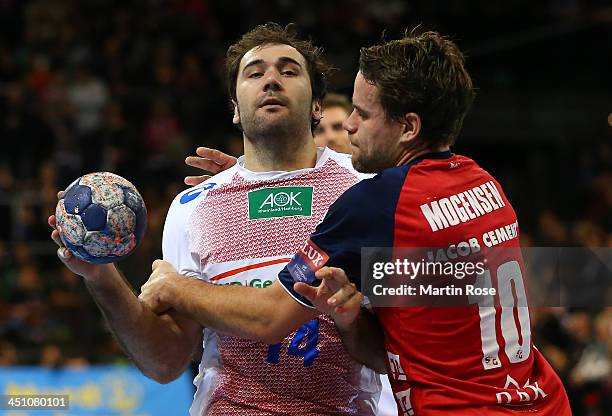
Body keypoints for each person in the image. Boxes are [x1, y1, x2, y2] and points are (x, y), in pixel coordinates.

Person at [138, 30, 572, 415]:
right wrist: (250, 180)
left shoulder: (371, 202)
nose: (347, 125)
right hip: (539, 398)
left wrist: (176, 287)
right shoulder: (483, 185)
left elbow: (271, 318)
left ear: (408, 127)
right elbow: (403, 338)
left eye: (362, 114)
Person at [49, 23, 384, 415]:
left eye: (289, 71)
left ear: (316, 106)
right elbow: (164, 361)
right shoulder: (194, 206)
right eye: (255, 73)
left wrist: (178, 289)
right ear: (236, 110)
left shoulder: (367, 190)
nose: (271, 80)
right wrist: (102, 277)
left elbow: (398, 351)